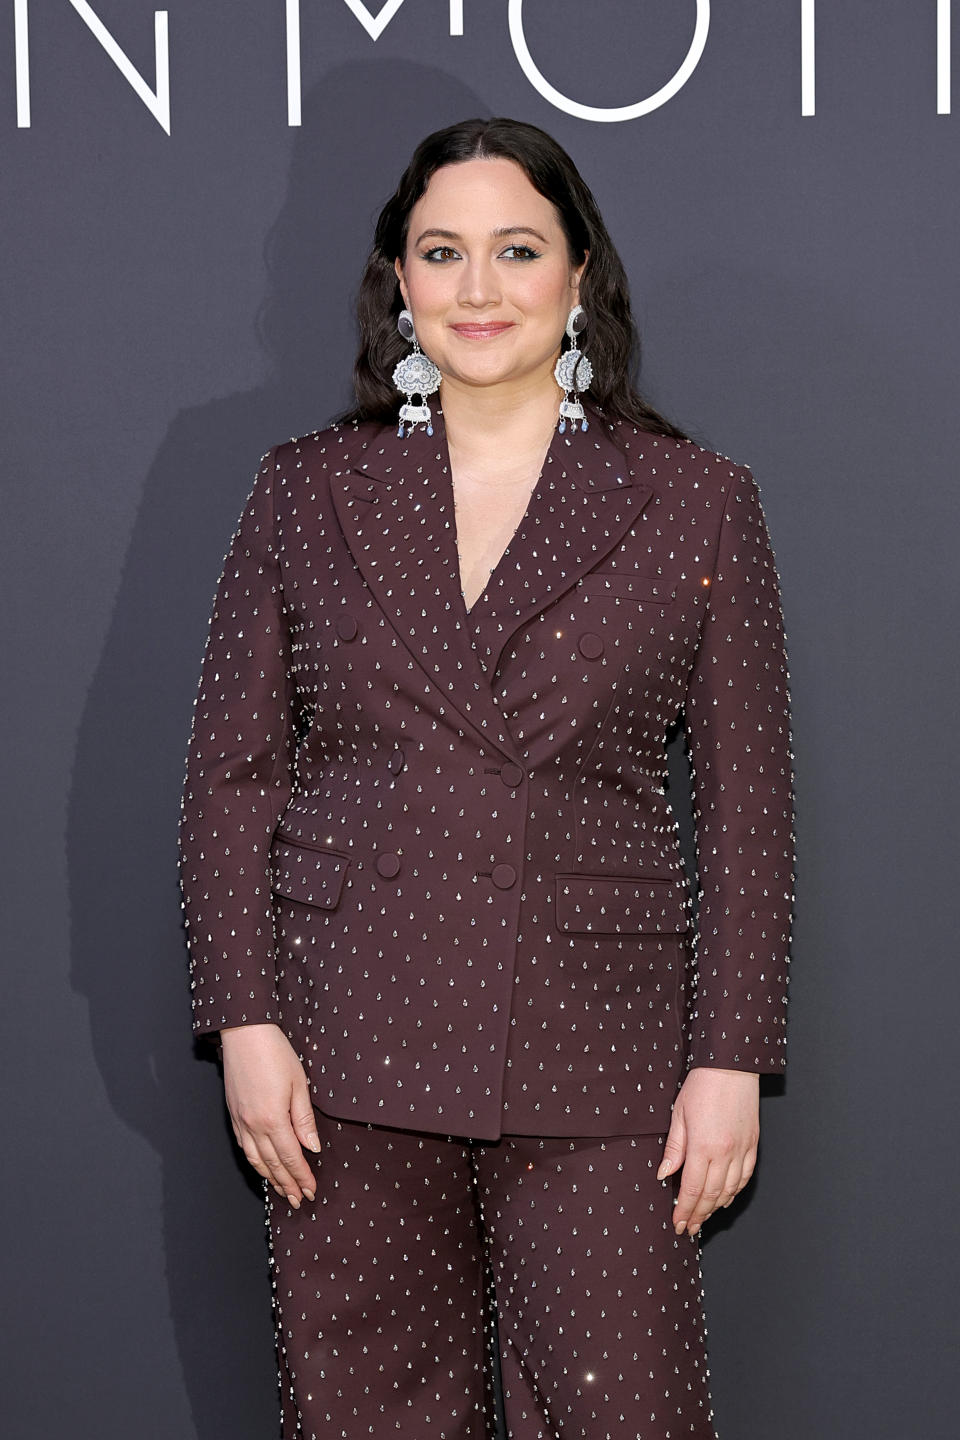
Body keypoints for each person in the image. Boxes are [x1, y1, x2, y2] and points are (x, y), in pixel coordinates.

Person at [179, 117, 794, 1440]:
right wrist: (244, 1019)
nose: (477, 289)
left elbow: (748, 815)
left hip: (600, 1047)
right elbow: (231, 778)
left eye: (516, 250)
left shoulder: (696, 501)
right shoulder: (306, 490)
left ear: (579, 277)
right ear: (397, 282)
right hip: (343, 1038)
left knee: (624, 1414)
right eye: (440, 253)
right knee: (366, 1418)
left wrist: (732, 1055)